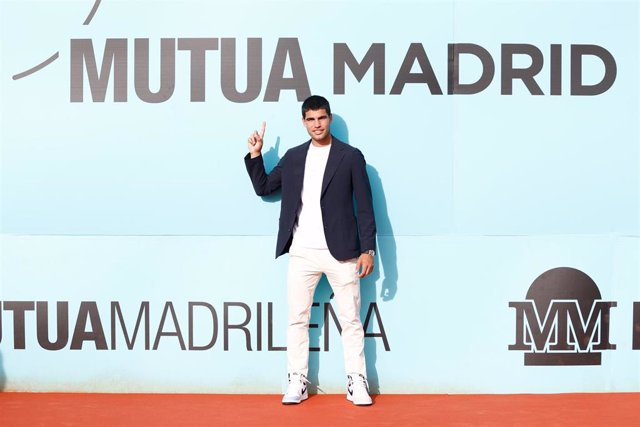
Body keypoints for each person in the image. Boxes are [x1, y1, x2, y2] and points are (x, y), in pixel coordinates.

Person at [244, 95, 377, 406]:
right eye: (311, 119)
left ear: (329, 119)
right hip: (302, 251)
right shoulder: (292, 158)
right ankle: (297, 381)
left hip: (342, 252)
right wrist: (255, 154)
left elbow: (366, 208)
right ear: (303, 122)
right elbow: (265, 187)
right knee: (297, 318)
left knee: (351, 320)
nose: (317, 124)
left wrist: (368, 249)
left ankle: (357, 381)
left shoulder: (350, 157)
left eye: (322, 118)